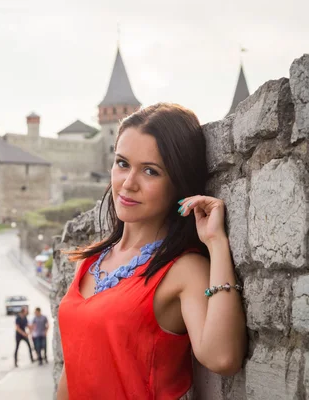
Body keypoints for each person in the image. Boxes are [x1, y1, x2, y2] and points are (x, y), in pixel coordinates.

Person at [57, 103, 247, 400]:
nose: (128, 184)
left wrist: (217, 243)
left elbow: (222, 358)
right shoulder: (92, 262)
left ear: (178, 183)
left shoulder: (183, 270)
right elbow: (74, 368)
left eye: (150, 171)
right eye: (122, 163)